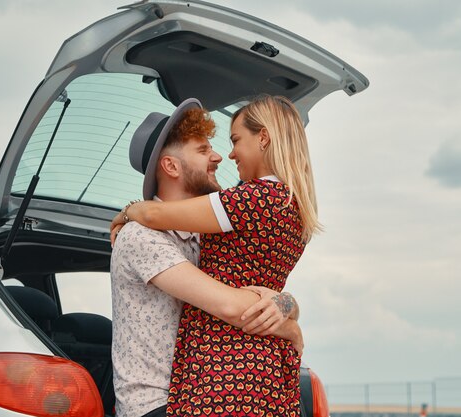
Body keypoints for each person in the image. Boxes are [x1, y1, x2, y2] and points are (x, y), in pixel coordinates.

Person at [111, 95, 320, 417]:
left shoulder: (211, 233)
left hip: (214, 385)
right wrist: (290, 328)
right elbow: (232, 305)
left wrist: (287, 305)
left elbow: (252, 286)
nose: (221, 156)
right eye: (203, 149)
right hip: (161, 403)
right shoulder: (142, 236)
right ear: (170, 165)